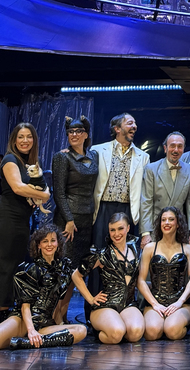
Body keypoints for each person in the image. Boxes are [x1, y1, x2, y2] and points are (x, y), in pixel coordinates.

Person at [0, 224, 87, 350]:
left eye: (53, 240)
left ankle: (24, 343)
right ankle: (29, 338)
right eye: (45, 241)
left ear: (58, 243)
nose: (49, 245)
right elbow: (25, 306)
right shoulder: (29, 269)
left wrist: (91, 300)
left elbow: (62, 301)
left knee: (81, 330)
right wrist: (30, 330)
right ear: (38, 245)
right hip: (23, 321)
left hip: (44, 325)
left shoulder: (64, 267)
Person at [51, 115, 99, 322]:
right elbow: (58, 192)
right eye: (71, 132)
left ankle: (63, 314)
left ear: (86, 135)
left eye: (79, 131)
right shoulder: (62, 157)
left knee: (76, 273)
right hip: (68, 221)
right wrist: (69, 219)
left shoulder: (94, 155)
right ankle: (54, 316)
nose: (74, 135)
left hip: (87, 220)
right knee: (63, 270)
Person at [0, 122, 51, 316]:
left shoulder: (29, 163)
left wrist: (44, 193)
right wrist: (45, 196)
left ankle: (9, 311)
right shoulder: (10, 159)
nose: (25, 140)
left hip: (22, 221)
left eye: (29, 136)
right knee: (5, 265)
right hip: (8, 218)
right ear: (14, 140)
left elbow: (43, 186)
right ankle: (3, 313)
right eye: (20, 136)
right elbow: (18, 188)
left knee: (16, 264)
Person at [73, 212, 145, 344]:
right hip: (106, 305)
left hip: (128, 304)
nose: (116, 234)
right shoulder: (102, 255)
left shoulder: (136, 251)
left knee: (135, 334)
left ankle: (119, 326)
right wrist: (91, 298)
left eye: (120, 229)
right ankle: (106, 330)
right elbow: (76, 275)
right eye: (112, 230)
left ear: (128, 228)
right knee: (116, 334)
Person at [92, 113, 150, 248]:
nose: (134, 126)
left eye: (135, 124)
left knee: (125, 251)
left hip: (128, 209)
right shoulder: (98, 150)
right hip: (103, 208)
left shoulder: (143, 157)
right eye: (130, 123)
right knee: (101, 249)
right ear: (117, 128)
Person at [138, 206, 190, 341]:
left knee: (172, 331)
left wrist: (180, 302)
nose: (167, 223)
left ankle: (177, 323)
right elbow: (140, 281)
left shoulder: (187, 249)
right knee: (151, 333)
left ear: (178, 223)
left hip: (181, 303)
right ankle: (161, 321)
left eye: (171, 219)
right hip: (155, 302)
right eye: (163, 220)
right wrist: (154, 304)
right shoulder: (150, 248)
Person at [140, 132, 190, 246]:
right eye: (172, 145)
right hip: (156, 227)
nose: (176, 150)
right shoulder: (151, 169)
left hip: (179, 228)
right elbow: (146, 202)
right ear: (165, 148)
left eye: (180, 146)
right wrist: (146, 233)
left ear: (183, 149)